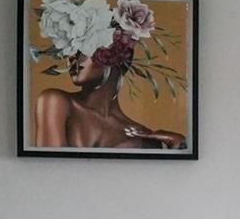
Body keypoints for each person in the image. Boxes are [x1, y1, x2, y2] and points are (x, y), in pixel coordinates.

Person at [33, 34, 187, 150]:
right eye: (71, 49)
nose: (73, 58)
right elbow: (49, 171)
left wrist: (178, 148)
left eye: (85, 48)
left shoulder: (143, 136)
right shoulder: (55, 102)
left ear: (118, 57)